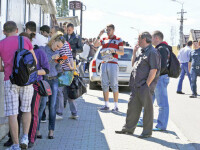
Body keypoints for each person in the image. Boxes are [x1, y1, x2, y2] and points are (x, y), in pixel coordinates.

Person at [115, 32, 161, 138]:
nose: (137, 41)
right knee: (132, 107)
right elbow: (133, 64)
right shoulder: (142, 52)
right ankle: (128, 129)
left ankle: (146, 133)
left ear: (144, 39)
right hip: (136, 86)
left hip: (145, 86)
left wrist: (147, 85)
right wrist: (134, 52)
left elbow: (153, 70)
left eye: (139, 39)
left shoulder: (152, 52)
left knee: (147, 110)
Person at [0, 21, 37, 150]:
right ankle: (25, 138)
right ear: (16, 30)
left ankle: (15, 145)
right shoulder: (25, 40)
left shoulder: (1, 44)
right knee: (26, 109)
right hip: (26, 80)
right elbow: (34, 61)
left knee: (12, 113)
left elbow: (0, 67)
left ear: (4, 32)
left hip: (10, 81)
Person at [137, 31, 170, 131]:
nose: (150, 40)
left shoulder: (162, 49)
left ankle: (161, 125)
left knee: (162, 104)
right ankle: (143, 121)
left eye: (152, 38)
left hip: (160, 78)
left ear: (156, 38)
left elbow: (161, 66)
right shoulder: (160, 48)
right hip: (157, 78)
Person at [37, 33, 67, 139]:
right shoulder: (43, 49)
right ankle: (37, 130)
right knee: (42, 106)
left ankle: (51, 131)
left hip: (54, 80)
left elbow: (57, 69)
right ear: (53, 41)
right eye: (57, 46)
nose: (58, 48)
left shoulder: (58, 53)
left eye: (60, 47)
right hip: (44, 80)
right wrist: (51, 59)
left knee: (52, 106)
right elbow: (41, 65)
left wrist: (61, 64)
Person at [94, 24, 124, 111]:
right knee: (104, 84)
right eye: (107, 30)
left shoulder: (118, 39)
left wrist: (114, 50)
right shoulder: (103, 39)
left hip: (113, 63)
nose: (108, 31)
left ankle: (116, 106)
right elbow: (95, 44)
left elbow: (122, 52)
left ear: (113, 30)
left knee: (114, 84)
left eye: (109, 29)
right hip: (104, 63)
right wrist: (99, 34)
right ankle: (106, 105)